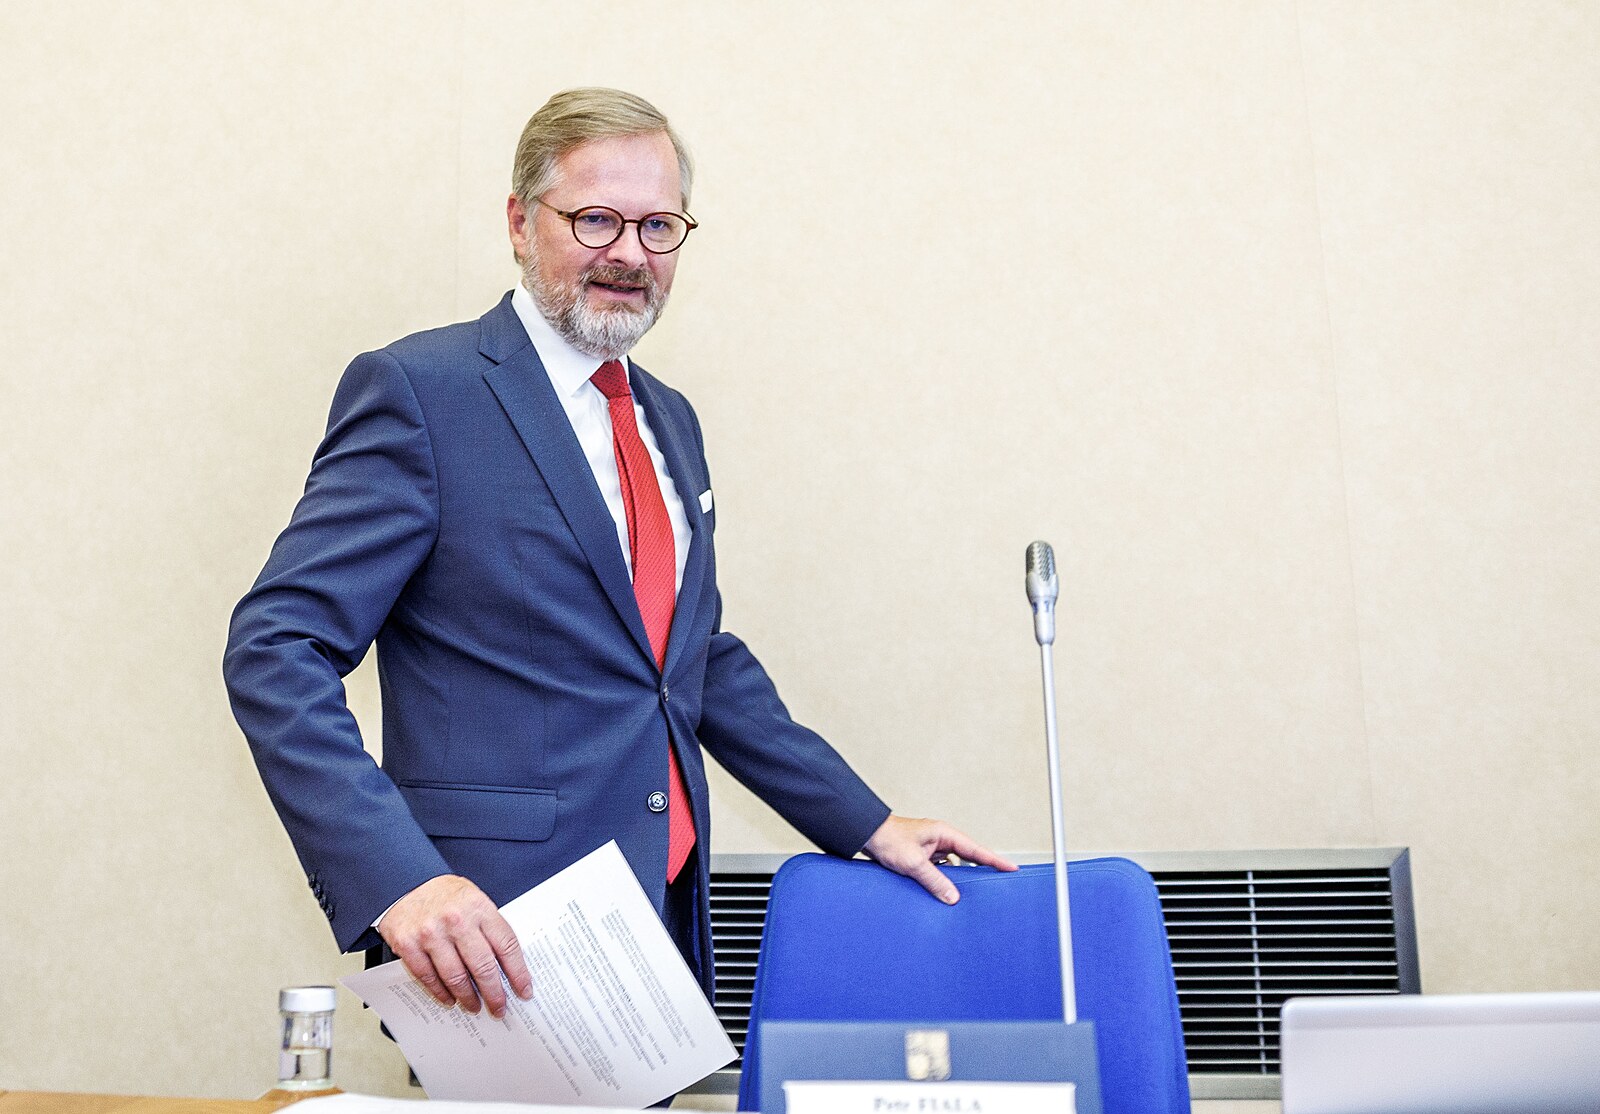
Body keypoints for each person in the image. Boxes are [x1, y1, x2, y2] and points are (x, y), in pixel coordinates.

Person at [223, 87, 1013, 1023]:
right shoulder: (422, 393)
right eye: (596, 219)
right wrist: (400, 881)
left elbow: (686, 659)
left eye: (658, 226)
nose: (630, 254)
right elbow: (277, 648)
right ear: (520, 223)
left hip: (661, 922)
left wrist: (866, 821)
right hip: (496, 938)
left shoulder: (669, 419)